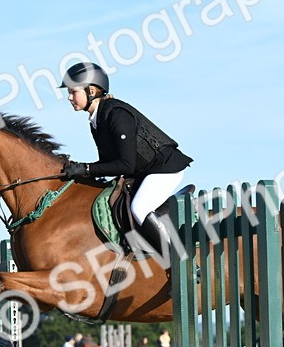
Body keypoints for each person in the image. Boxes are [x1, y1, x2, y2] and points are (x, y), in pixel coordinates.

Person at [58, 62, 192, 254]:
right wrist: (80, 171)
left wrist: (86, 169)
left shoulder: (117, 115)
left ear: (92, 91)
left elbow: (125, 165)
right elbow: (108, 164)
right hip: (145, 170)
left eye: (73, 92)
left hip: (165, 168)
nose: (69, 97)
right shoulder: (97, 119)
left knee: (139, 208)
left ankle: (181, 260)